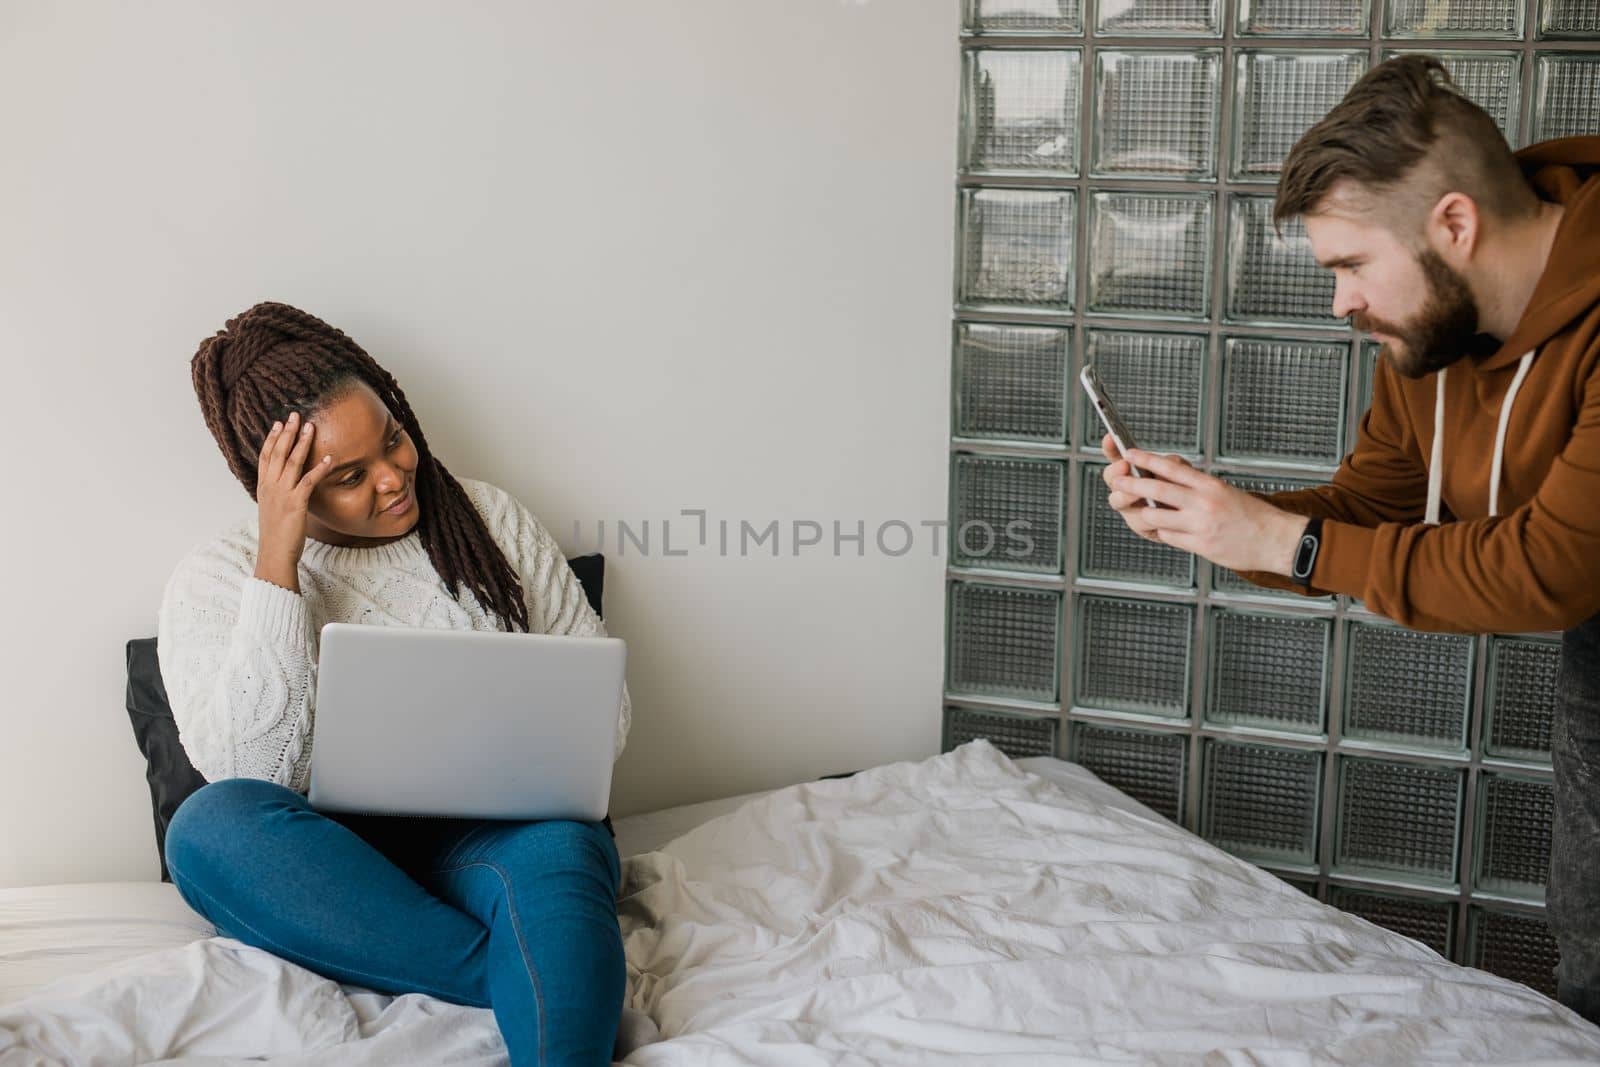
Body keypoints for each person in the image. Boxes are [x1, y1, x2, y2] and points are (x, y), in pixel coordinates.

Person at [1099, 56, 1600, 1019]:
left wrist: (1282, 542)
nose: (1341, 303)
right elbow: (1372, 508)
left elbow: (1554, 566)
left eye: (1352, 266)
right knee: (1596, 937)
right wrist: (1218, 521)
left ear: (1453, 224)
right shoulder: (1432, 337)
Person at [158, 300, 633, 1066]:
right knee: (205, 828)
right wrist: (277, 563)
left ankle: (536, 956)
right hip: (340, 865)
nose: (393, 478)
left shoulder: (489, 518)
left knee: (563, 852)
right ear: (280, 486)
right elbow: (255, 773)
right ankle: (527, 961)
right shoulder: (214, 578)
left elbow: (603, 722)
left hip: (509, 835)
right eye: (348, 476)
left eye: (394, 440)